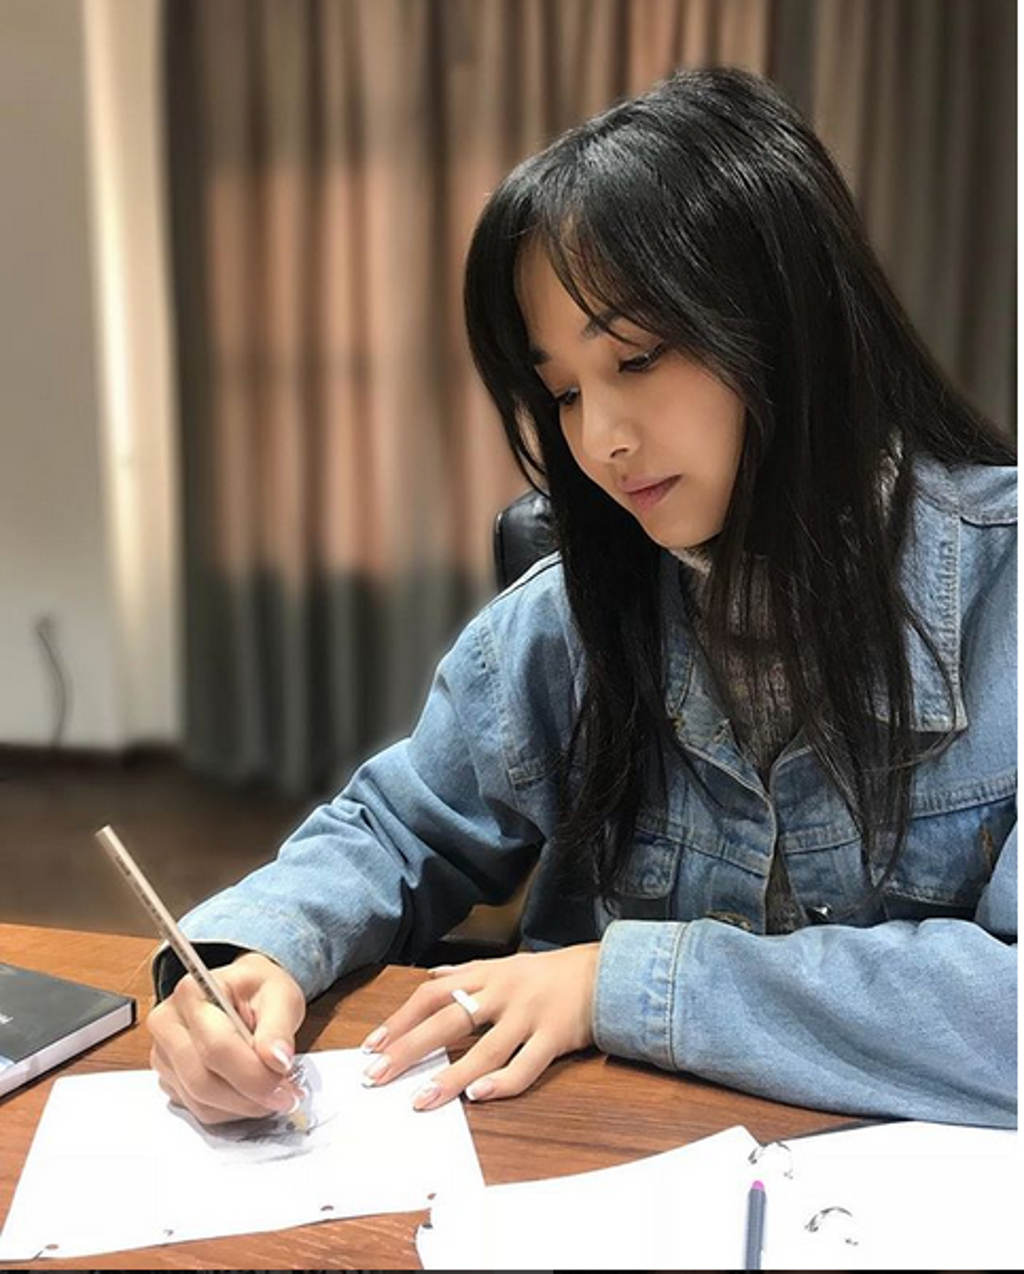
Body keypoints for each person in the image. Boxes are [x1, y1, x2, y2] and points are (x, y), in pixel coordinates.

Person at [149, 67, 1017, 1130]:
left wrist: (619, 983)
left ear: (791, 316)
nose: (600, 438)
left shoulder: (1004, 592)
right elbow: (391, 829)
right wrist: (252, 952)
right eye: (561, 389)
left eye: (637, 356)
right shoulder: (566, 621)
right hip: (599, 1166)